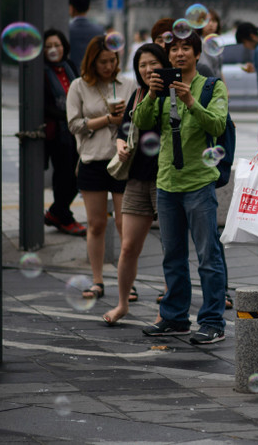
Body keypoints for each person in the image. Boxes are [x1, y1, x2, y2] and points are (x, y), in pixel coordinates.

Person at [134, 32, 229, 345]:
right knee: (172, 255)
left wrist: (190, 100)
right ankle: (174, 317)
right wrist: (150, 92)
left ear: (197, 54)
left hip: (199, 182)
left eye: (186, 47)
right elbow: (143, 122)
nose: (179, 53)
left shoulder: (212, 87)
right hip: (167, 181)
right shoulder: (159, 88)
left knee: (208, 256)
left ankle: (212, 321)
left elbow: (217, 125)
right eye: (173, 48)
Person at [102, 44, 168, 326]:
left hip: (166, 179)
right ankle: (122, 304)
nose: (148, 69)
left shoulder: (174, 92)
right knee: (128, 246)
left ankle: (167, 309)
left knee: (171, 246)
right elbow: (124, 129)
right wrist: (120, 145)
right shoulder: (138, 94)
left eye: (153, 63)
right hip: (137, 179)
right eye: (142, 65)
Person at [66, 35, 132, 300]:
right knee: (95, 225)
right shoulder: (78, 86)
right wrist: (106, 119)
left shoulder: (127, 84)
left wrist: (125, 118)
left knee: (123, 223)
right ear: (92, 62)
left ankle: (128, 282)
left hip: (123, 159)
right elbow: (73, 124)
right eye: (103, 61)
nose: (108, 65)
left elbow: (137, 120)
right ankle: (97, 281)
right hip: (92, 161)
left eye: (112, 60)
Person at [42, 28, 86, 236]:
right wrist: (69, 116)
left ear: (64, 47)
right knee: (64, 176)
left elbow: (80, 91)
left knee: (78, 175)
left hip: (76, 131)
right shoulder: (41, 72)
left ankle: (56, 213)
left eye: (57, 45)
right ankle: (63, 216)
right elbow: (44, 107)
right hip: (57, 134)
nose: (53, 49)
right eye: (48, 46)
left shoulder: (68, 66)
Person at [69, 0, 105, 72]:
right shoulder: (99, 29)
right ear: (89, 8)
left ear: (71, 8)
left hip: (71, 74)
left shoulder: (67, 29)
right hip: (93, 74)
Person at [196, 8, 223, 78]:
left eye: (214, 21)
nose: (211, 24)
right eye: (207, 21)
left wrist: (225, 88)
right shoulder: (198, 43)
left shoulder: (215, 44)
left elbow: (219, 70)